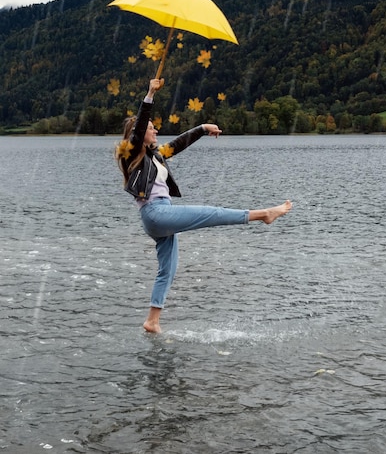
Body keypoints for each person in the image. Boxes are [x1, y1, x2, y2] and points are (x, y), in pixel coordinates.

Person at [115, 78, 292, 333]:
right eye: (151, 128)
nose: (154, 131)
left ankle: (152, 321)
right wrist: (150, 94)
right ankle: (264, 214)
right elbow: (140, 124)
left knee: (168, 269)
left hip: (159, 217)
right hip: (156, 213)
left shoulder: (155, 155)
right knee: (212, 214)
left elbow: (178, 144)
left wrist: (202, 128)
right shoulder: (132, 154)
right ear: (139, 134)